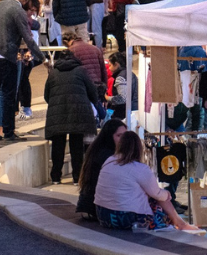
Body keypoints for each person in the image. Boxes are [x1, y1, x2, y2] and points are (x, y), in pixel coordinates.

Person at [94, 130, 199, 231]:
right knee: (159, 200)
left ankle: (180, 224)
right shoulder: (140, 168)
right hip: (127, 218)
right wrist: (167, 194)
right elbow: (157, 194)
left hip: (103, 215)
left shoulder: (109, 161)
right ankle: (181, 224)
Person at [44, 48, 100, 184]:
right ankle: (76, 177)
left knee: (58, 146)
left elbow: (47, 95)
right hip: (78, 111)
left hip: (57, 113)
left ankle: (56, 177)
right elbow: (92, 91)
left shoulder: (53, 73)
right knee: (76, 147)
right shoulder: (81, 70)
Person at [0, 0, 45, 142]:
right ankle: (8, 132)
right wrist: (43, 58)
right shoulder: (17, 10)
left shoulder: (2, 4)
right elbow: (28, 38)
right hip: (7, 57)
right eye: (32, 7)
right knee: (8, 96)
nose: (31, 11)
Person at [76, 118, 126, 219]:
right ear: (109, 136)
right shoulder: (106, 156)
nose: (123, 139)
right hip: (94, 207)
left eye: (124, 136)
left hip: (90, 205)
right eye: (118, 135)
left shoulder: (99, 149)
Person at [62, 31, 108, 99]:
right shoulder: (95, 49)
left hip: (81, 87)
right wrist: (105, 92)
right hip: (97, 87)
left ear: (65, 41)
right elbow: (103, 70)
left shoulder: (71, 51)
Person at [106, 52, 138, 120]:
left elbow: (122, 98)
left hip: (124, 113)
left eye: (110, 65)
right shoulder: (130, 73)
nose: (109, 68)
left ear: (116, 64)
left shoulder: (120, 77)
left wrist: (107, 98)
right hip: (134, 109)